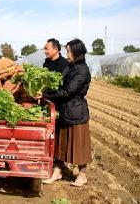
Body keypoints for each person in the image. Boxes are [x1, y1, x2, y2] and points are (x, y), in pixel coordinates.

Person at [41, 39, 92, 187]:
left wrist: (46, 95)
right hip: (65, 110)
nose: (67, 54)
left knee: (79, 145)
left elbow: (68, 91)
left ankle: (82, 175)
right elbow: (59, 85)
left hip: (76, 112)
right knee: (61, 143)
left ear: (76, 52)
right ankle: (58, 171)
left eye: (69, 51)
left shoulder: (82, 70)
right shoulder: (70, 66)